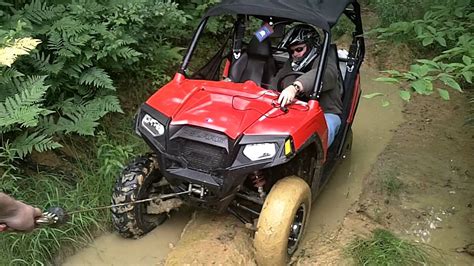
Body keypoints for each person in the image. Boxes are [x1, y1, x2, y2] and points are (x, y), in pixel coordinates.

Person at [270, 25, 343, 147]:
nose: (295, 54)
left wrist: (295, 87)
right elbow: (275, 83)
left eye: (299, 49)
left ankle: (320, 163)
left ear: (311, 46)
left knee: (323, 132)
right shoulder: (290, 64)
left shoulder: (325, 63)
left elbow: (323, 74)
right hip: (296, 113)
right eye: (292, 51)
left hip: (327, 113)